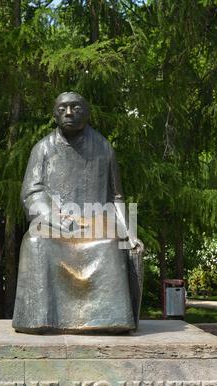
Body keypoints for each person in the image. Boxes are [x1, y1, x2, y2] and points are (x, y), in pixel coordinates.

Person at [12, 92, 143, 334]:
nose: (69, 113)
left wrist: (129, 232)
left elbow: (116, 197)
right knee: (35, 242)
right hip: (53, 223)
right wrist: (53, 217)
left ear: (87, 113)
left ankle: (108, 321)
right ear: (55, 115)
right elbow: (31, 193)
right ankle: (40, 319)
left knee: (114, 244)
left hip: (96, 223)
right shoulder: (42, 149)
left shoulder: (104, 148)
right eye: (63, 108)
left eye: (76, 107)